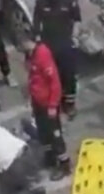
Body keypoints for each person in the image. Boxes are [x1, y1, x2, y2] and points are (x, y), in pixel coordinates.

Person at [32, 0, 82, 118]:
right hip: (49, 46)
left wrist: (74, 37)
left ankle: (70, 105)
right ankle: (57, 101)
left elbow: (77, 20)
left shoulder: (69, 0)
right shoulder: (41, 1)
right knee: (53, 76)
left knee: (70, 77)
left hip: (66, 45)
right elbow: (37, 21)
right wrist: (37, 40)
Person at [24, 36, 70, 181]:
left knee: (55, 135)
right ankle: (50, 158)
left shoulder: (42, 55)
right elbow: (33, 79)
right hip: (38, 103)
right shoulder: (31, 55)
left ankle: (64, 164)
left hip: (48, 104)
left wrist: (52, 105)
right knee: (44, 134)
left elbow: (54, 82)